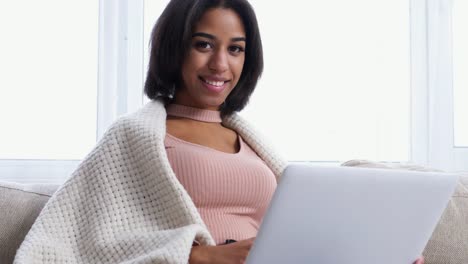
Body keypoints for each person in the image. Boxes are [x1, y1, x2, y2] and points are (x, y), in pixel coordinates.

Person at [14, 0, 425, 263]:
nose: (220, 65)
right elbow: (75, 243)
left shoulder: (254, 144)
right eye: (204, 44)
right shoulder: (134, 137)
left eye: (235, 48)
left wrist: (381, 250)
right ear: (175, 48)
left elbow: (307, 238)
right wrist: (202, 258)